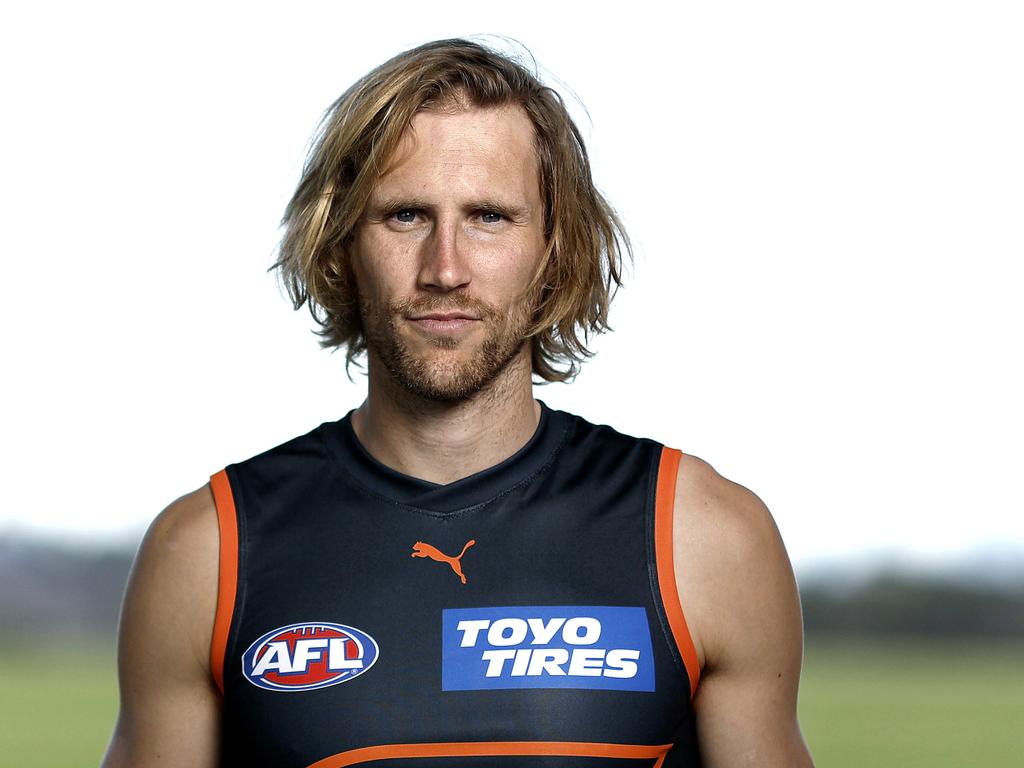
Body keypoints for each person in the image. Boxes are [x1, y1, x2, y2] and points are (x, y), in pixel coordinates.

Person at [102, 38, 814, 768]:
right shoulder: (208, 552)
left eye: (490, 217)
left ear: (555, 249)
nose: (445, 268)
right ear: (342, 243)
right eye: (405, 216)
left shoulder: (705, 539)